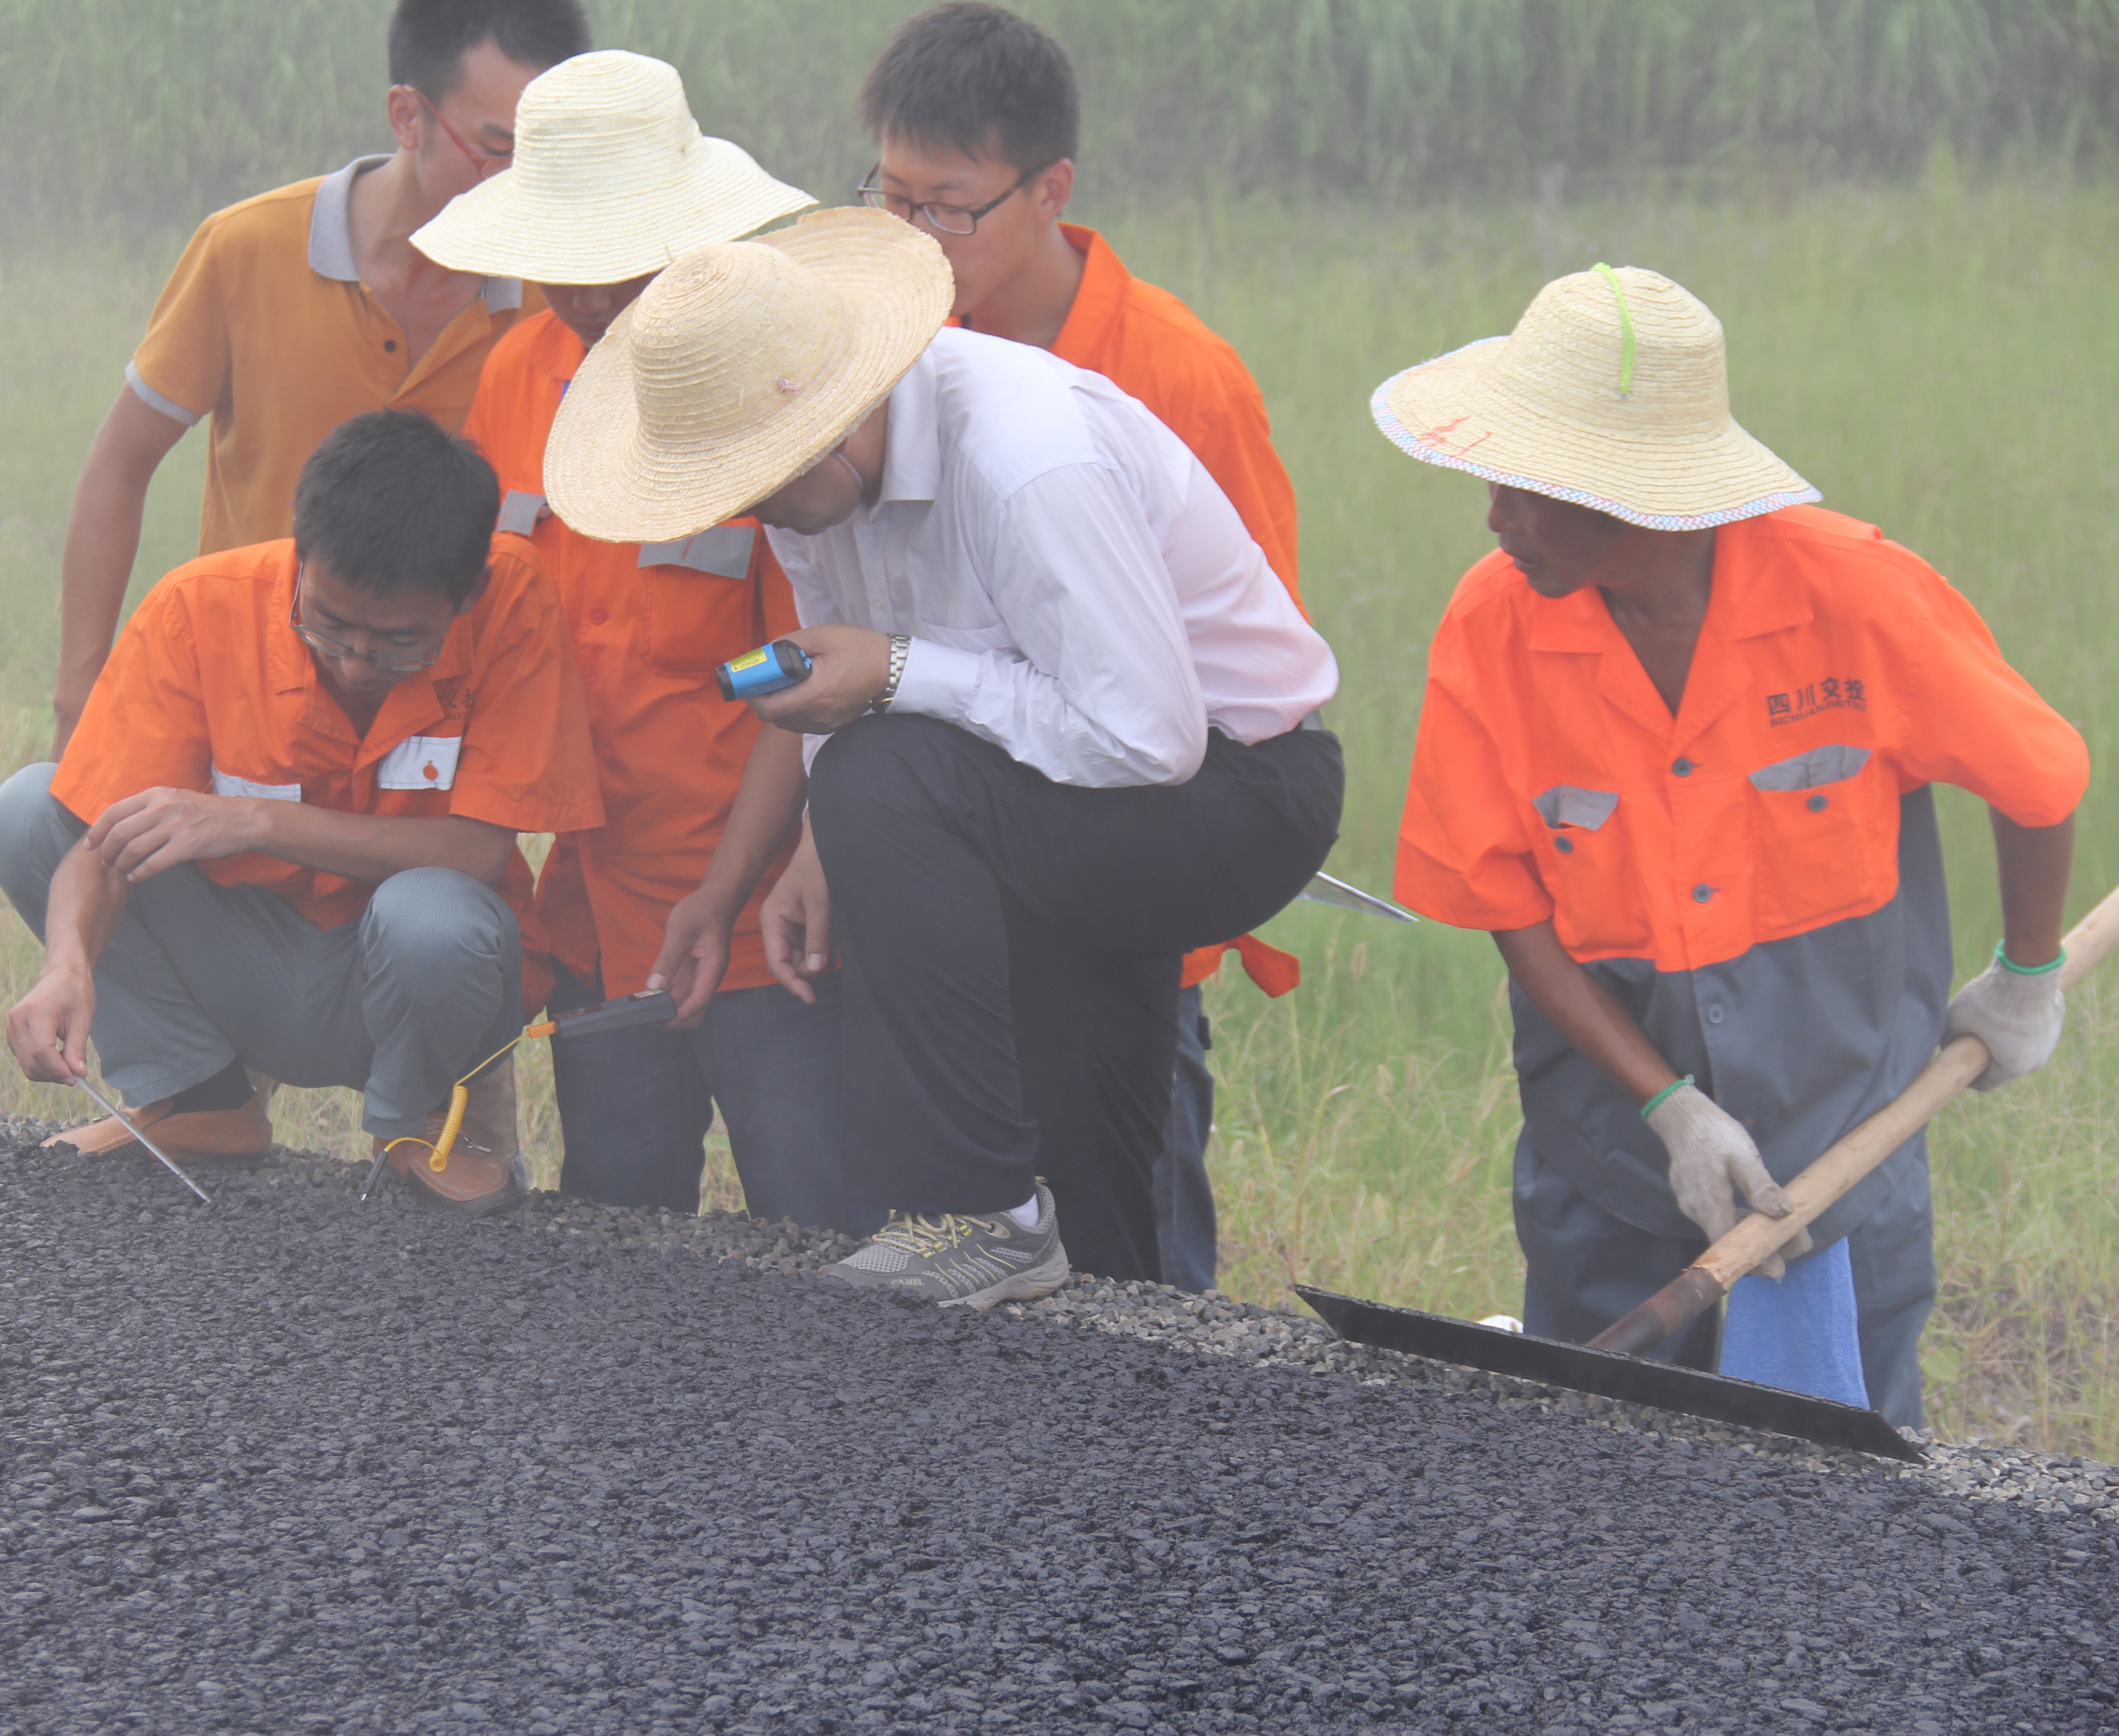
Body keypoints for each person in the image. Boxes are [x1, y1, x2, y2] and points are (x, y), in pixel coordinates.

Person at [545, 209, 1343, 1301]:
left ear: (828, 412)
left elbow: (1146, 739)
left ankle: (973, 1208)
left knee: (890, 769)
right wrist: (821, 849)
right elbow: (841, 684)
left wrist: (897, 678)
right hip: (1051, 800)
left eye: (762, 478)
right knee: (1087, 1158)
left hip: (1230, 794)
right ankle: (1100, 1329)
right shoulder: (807, 488)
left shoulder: (1025, 455)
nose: (756, 512)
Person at [1380, 265, 2087, 1424]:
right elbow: (1510, 906)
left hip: (1839, 1147)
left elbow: (2040, 781)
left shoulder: (1852, 597)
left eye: (1528, 484)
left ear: (1636, 493)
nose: (1496, 514)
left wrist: (2026, 976)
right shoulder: (1492, 626)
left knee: (1833, 1484)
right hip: (1609, 1157)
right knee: (1610, 1481)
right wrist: (1669, 1109)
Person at [858, 2, 1307, 1290]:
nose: (913, 238)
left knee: (1133, 1265)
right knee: (981, 1255)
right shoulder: (880, 354)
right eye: (889, 200)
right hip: (964, 869)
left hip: (1126, 870)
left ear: (1051, 188)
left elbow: (1241, 668)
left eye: (949, 207)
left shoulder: (1176, 373)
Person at [410, 53, 879, 1233]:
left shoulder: (768, 383)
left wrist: (723, 894)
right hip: (595, 919)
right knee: (614, 1247)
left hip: (769, 924)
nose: (577, 297)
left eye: (609, 265)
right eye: (557, 265)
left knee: (815, 1238)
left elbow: (809, 673)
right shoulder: (517, 376)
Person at [0, 411, 602, 1215]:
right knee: (31, 809)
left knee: (434, 913)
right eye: (331, 625)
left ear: (469, 593)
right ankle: (200, 1104)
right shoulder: (200, 608)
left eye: (399, 644)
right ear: (300, 558)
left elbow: (480, 854)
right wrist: (68, 962)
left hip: (416, 977)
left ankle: (411, 1132)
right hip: (249, 963)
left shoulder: (514, 601)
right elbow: (105, 842)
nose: (356, 662)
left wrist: (253, 821)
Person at [48, 0, 593, 757]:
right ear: (408, 117)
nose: (517, 185)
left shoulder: (561, 299)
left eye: (543, 159)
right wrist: (80, 695)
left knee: (423, 885)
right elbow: (119, 466)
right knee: (40, 823)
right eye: (495, 150)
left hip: (431, 716)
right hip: (244, 692)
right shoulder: (249, 250)